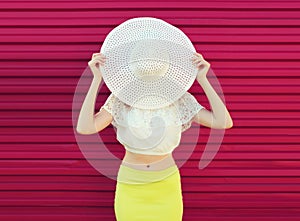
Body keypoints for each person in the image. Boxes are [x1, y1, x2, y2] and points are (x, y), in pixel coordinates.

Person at [77, 52, 233, 221]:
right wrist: (96, 80)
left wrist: (203, 79)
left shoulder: (178, 100)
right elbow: (85, 128)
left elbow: (223, 122)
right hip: (131, 185)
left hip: (166, 185)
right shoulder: (120, 99)